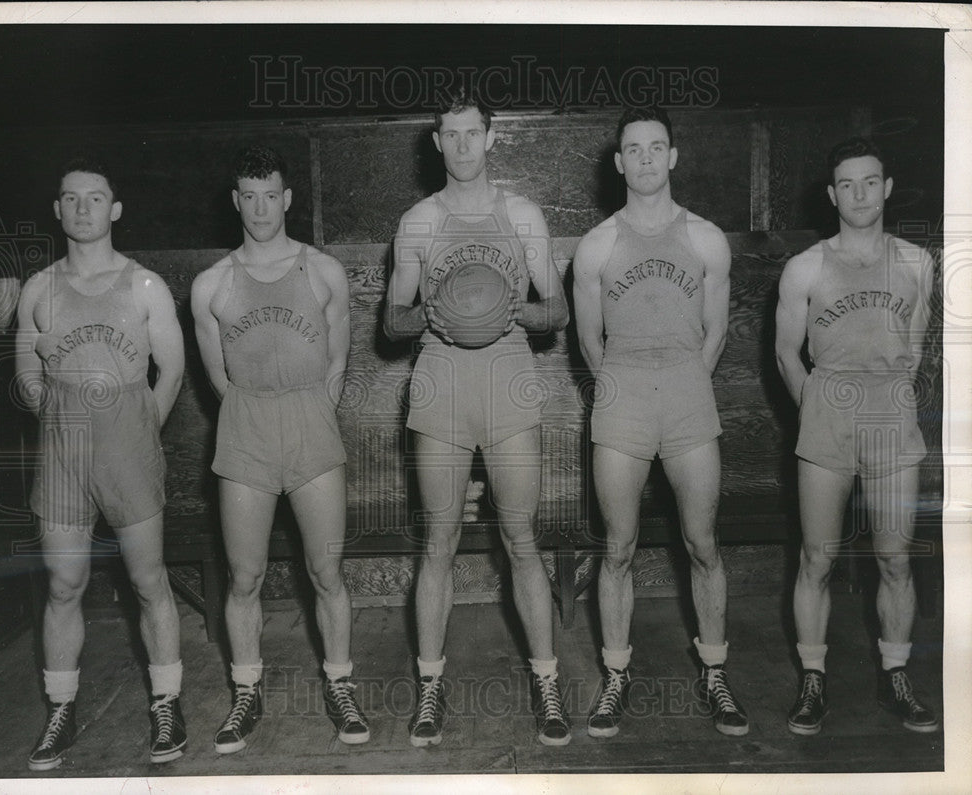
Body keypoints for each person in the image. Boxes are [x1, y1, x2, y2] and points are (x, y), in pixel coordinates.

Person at [383, 90, 571, 746]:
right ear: (436, 142)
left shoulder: (522, 215)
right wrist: (431, 317)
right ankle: (430, 686)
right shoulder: (418, 222)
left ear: (492, 138)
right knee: (438, 541)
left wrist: (511, 310)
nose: (461, 146)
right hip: (440, 383)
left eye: (472, 134)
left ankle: (547, 683)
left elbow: (559, 310)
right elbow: (390, 321)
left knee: (522, 539)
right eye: (449, 135)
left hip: (508, 381)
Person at [573, 106, 748, 738]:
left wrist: (679, 380)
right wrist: (626, 385)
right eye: (633, 150)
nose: (645, 159)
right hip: (621, 395)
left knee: (702, 542)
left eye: (657, 147)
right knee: (617, 547)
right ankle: (616, 674)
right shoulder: (597, 245)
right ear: (619, 163)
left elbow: (717, 331)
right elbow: (589, 343)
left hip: (686, 394)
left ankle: (715, 669)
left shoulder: (706, 238)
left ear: (673, 156)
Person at [191, 145, 368, 753]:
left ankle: (341, 685)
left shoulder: (323, 271)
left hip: (311, 422)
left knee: (326, 570)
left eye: (271, 195)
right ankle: (247, 690)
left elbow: (339, 360)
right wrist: (256, 412)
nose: (261, 208)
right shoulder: (211, 284)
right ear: (235, 200)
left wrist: (307, 411)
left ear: (287, 199)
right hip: (246, 428)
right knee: (245, 574)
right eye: (249, 195)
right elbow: (218, 380)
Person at [15, 157, 187, 769]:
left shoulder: (143, 285)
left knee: (148, 579)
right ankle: (61, 709)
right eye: (70, 198)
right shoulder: (38, 288)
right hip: (63, 451)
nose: (82, 207)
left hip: (128, 448)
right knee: (64, 585)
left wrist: (143, 425)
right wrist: (55, 408)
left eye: (95, 197)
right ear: (57, 210)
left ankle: (166, 703)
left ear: (115, 210)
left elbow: (171, 368)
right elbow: (26, 375)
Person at [775, 137, 938, 735]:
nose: (860, 193)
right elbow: (786, 353)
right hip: (827, 415)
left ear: (887, 187)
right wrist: (817, 407)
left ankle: (896, 675)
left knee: (895, 558)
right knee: (817, 557)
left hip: (891, 416)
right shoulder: (806, 266)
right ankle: (813, 679)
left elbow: (916, 349)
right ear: (831, 195)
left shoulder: (918, 262)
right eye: (847, 184)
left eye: (870, 181)